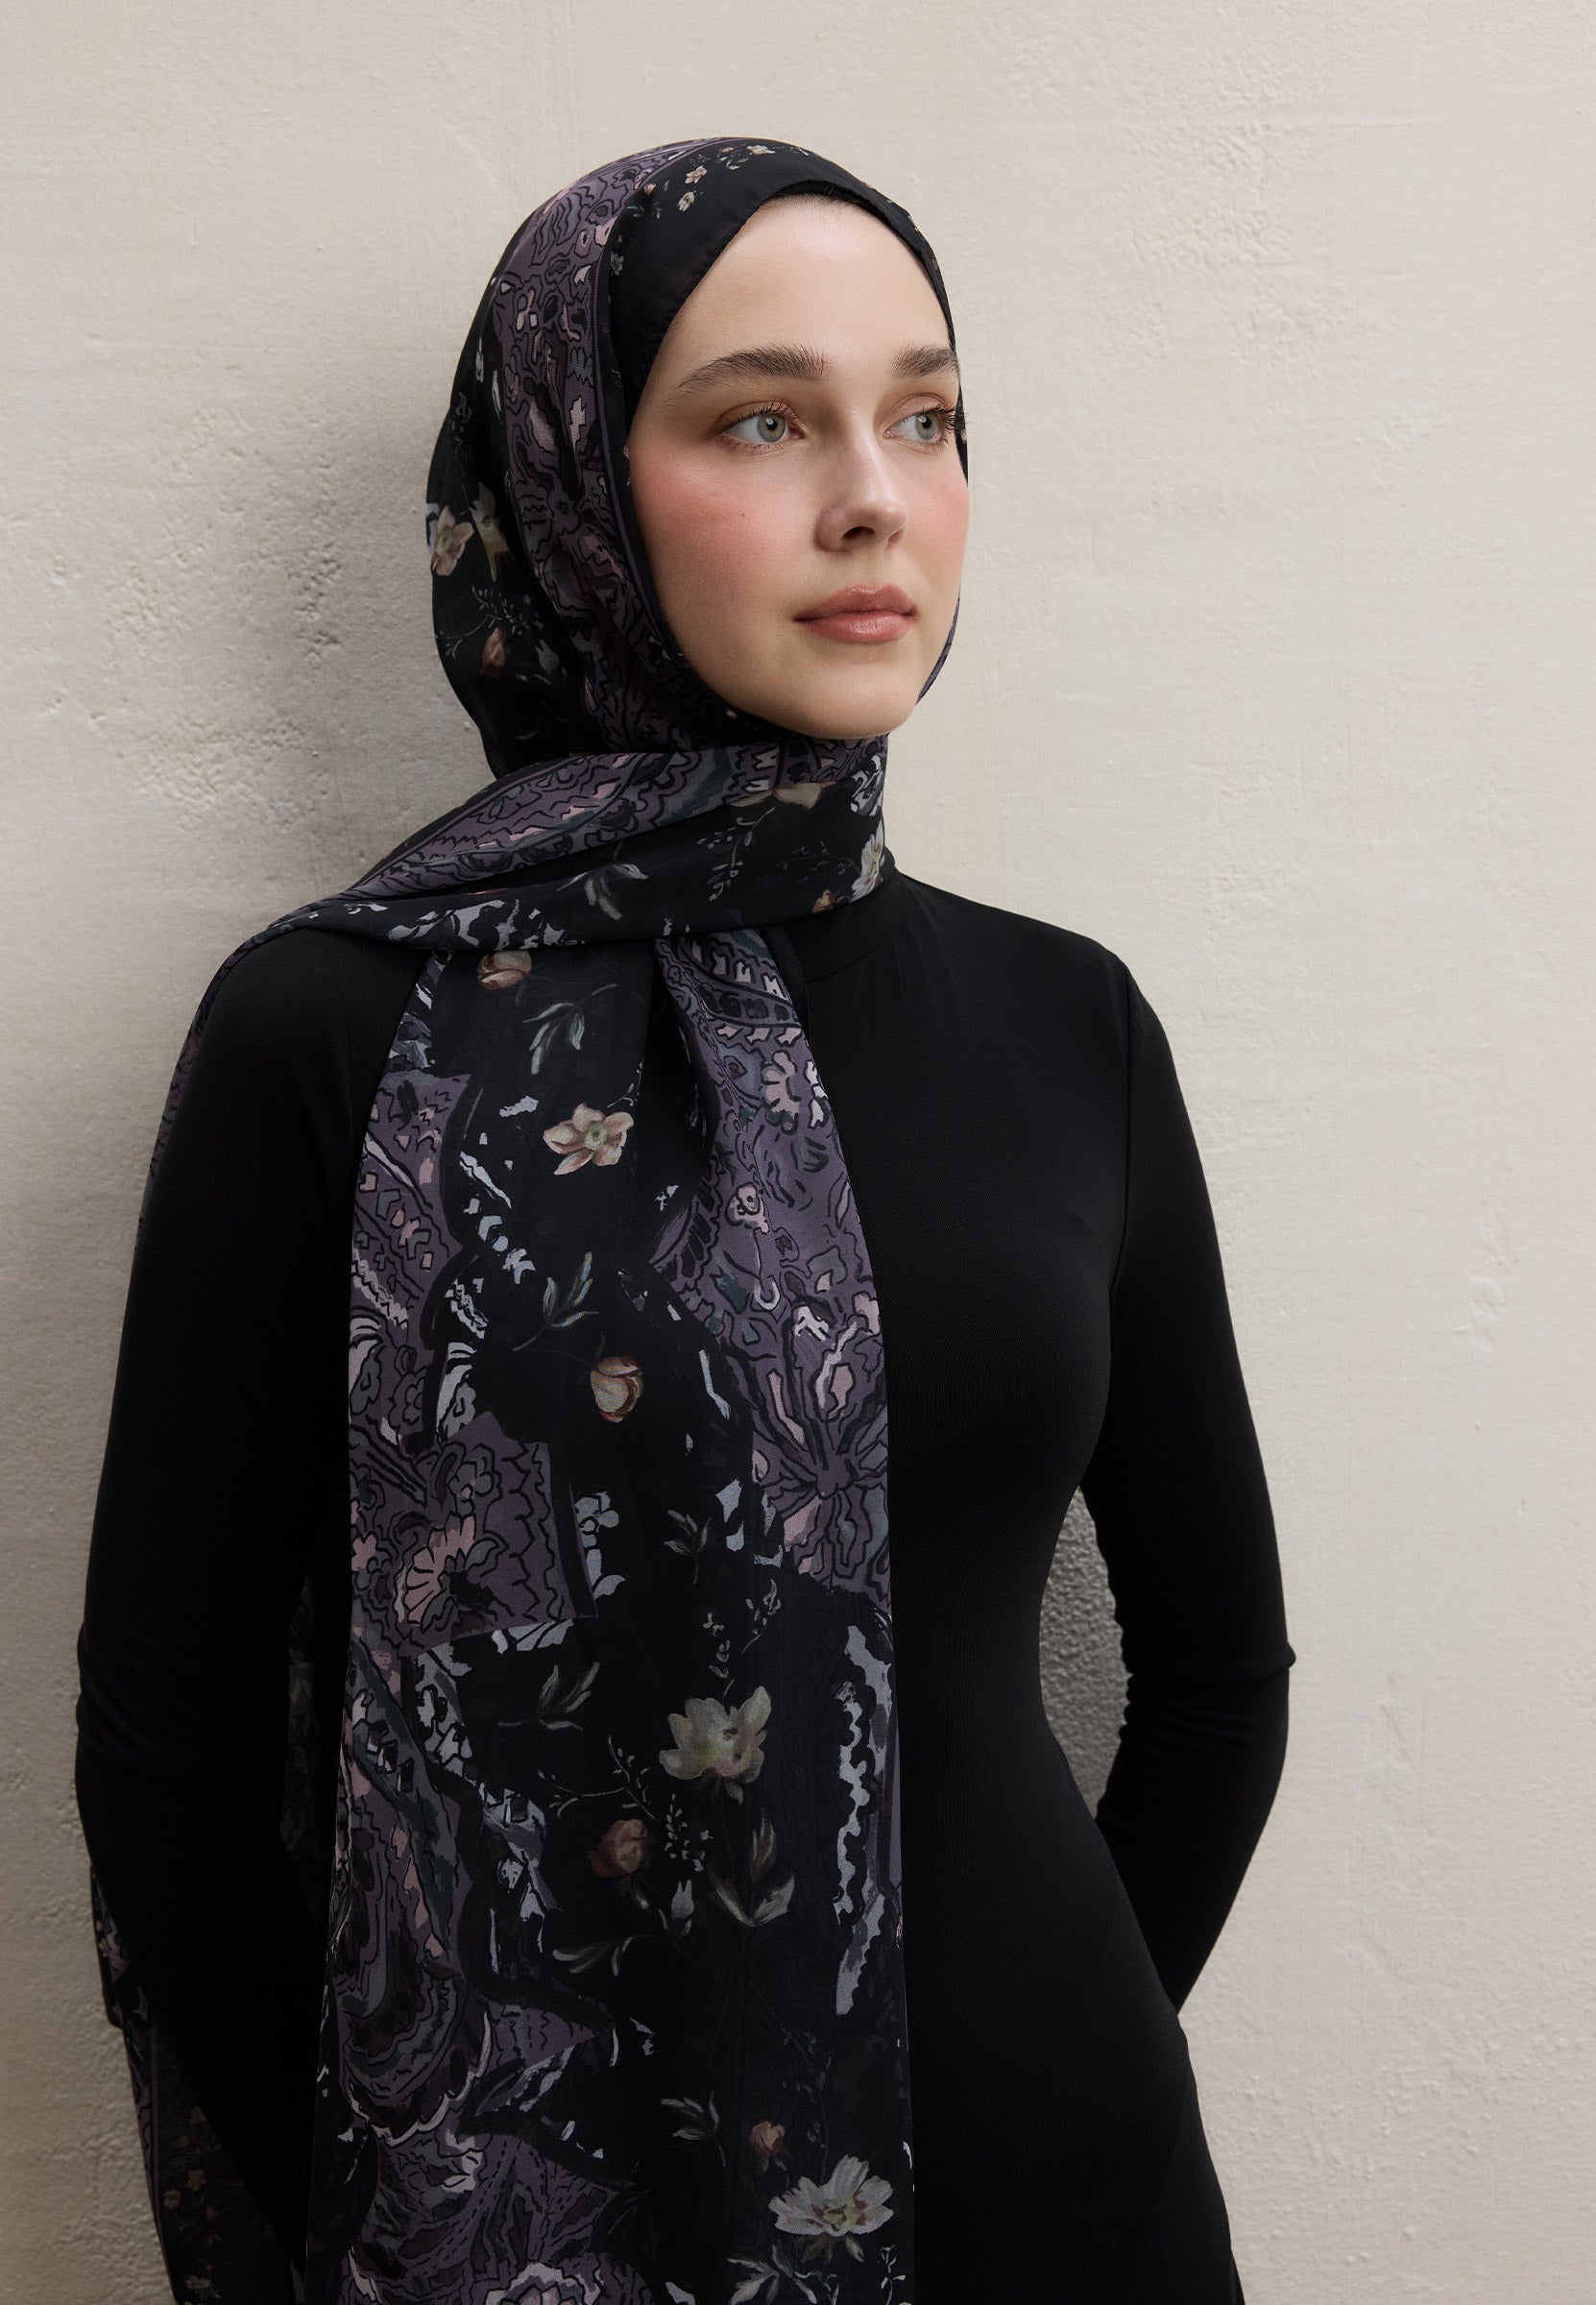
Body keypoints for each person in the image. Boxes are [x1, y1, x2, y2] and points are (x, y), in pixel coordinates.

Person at [75, 139, 1295, 2305]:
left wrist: (1051, 2083)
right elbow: (166, 1754)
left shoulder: (1066, 1022)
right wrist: (398, 2219)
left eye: (927, 415)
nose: (876, 499)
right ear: (568, 493)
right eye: (761, 421)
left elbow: (1216, 1672)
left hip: (1057, 2203)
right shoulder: (330, 1028)